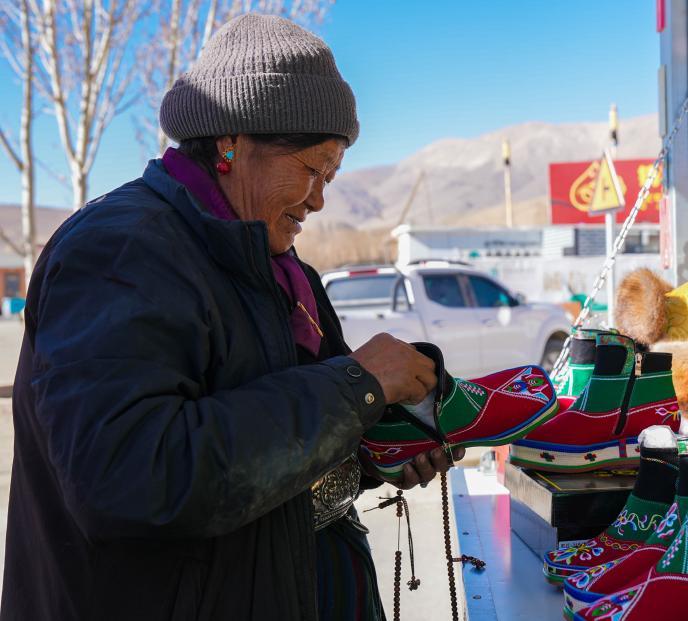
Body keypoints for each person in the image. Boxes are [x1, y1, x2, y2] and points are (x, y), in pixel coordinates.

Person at [1, 14, 461, 621]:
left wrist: (379, 446)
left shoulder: (279, 269)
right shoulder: (120, 251)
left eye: (332, 176)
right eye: (312, 169)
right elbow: (130, 477)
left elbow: (281, 452)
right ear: (232, 144)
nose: (320, 199)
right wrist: (356, 386)